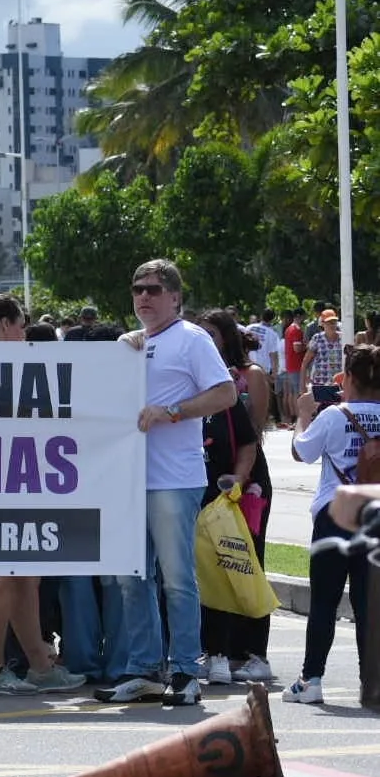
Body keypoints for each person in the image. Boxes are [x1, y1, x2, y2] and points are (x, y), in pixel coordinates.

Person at [93, 260, 236, 706]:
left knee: (177, 579)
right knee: (129, 578)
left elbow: (226, 393)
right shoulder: (129, 344)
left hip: (175, 477)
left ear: (175, 296)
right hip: (128, 479)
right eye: (137, 289)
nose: (143, 298)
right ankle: (144, 669)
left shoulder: (191, 339)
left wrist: (172, 411)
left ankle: (186, 672)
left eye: (153, 290)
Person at [0, 296, 86, 696]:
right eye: (21, 324)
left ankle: (40, 666)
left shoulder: (25, 365)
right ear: (5, 326)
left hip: (25, 479)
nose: (26, 331)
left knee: (26, 577)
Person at [285, 345, 380, 704]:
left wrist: (303, 414)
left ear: (350, 378)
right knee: (368, 603)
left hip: (335, 513)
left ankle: (311, 680)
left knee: (324, 600)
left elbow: (301, 452)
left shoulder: (335, 415)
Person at [193, 311, 274, 686]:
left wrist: (239, 480)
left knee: (246, 563)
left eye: (209, 334)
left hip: (245, 486)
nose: (203, 341)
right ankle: (218, 651)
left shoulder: (245, 377)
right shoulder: (191, 380)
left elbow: (251, 434)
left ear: (225, 337)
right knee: (212, 570)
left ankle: (253, 652)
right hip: (206, 489)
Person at [304, 309, 346, 410]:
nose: (332, 325)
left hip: (338, 384)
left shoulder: (343, 338)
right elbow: (305, 362)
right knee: (321, 411)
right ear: (322, 324)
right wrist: (303, 385)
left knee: (338, 411)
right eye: (328, 322)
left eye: (334, 322)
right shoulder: (317, 338)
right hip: (320, 383)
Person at [282, 308, 306, 428]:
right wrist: (306, 346)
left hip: (290, 364)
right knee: (298, 393)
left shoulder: (288, 329)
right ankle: (298, 420)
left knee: (292, 393)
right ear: (299, 316)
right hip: (296, 365)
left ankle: (294, 419)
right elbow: (297, 348)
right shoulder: (296, 329)